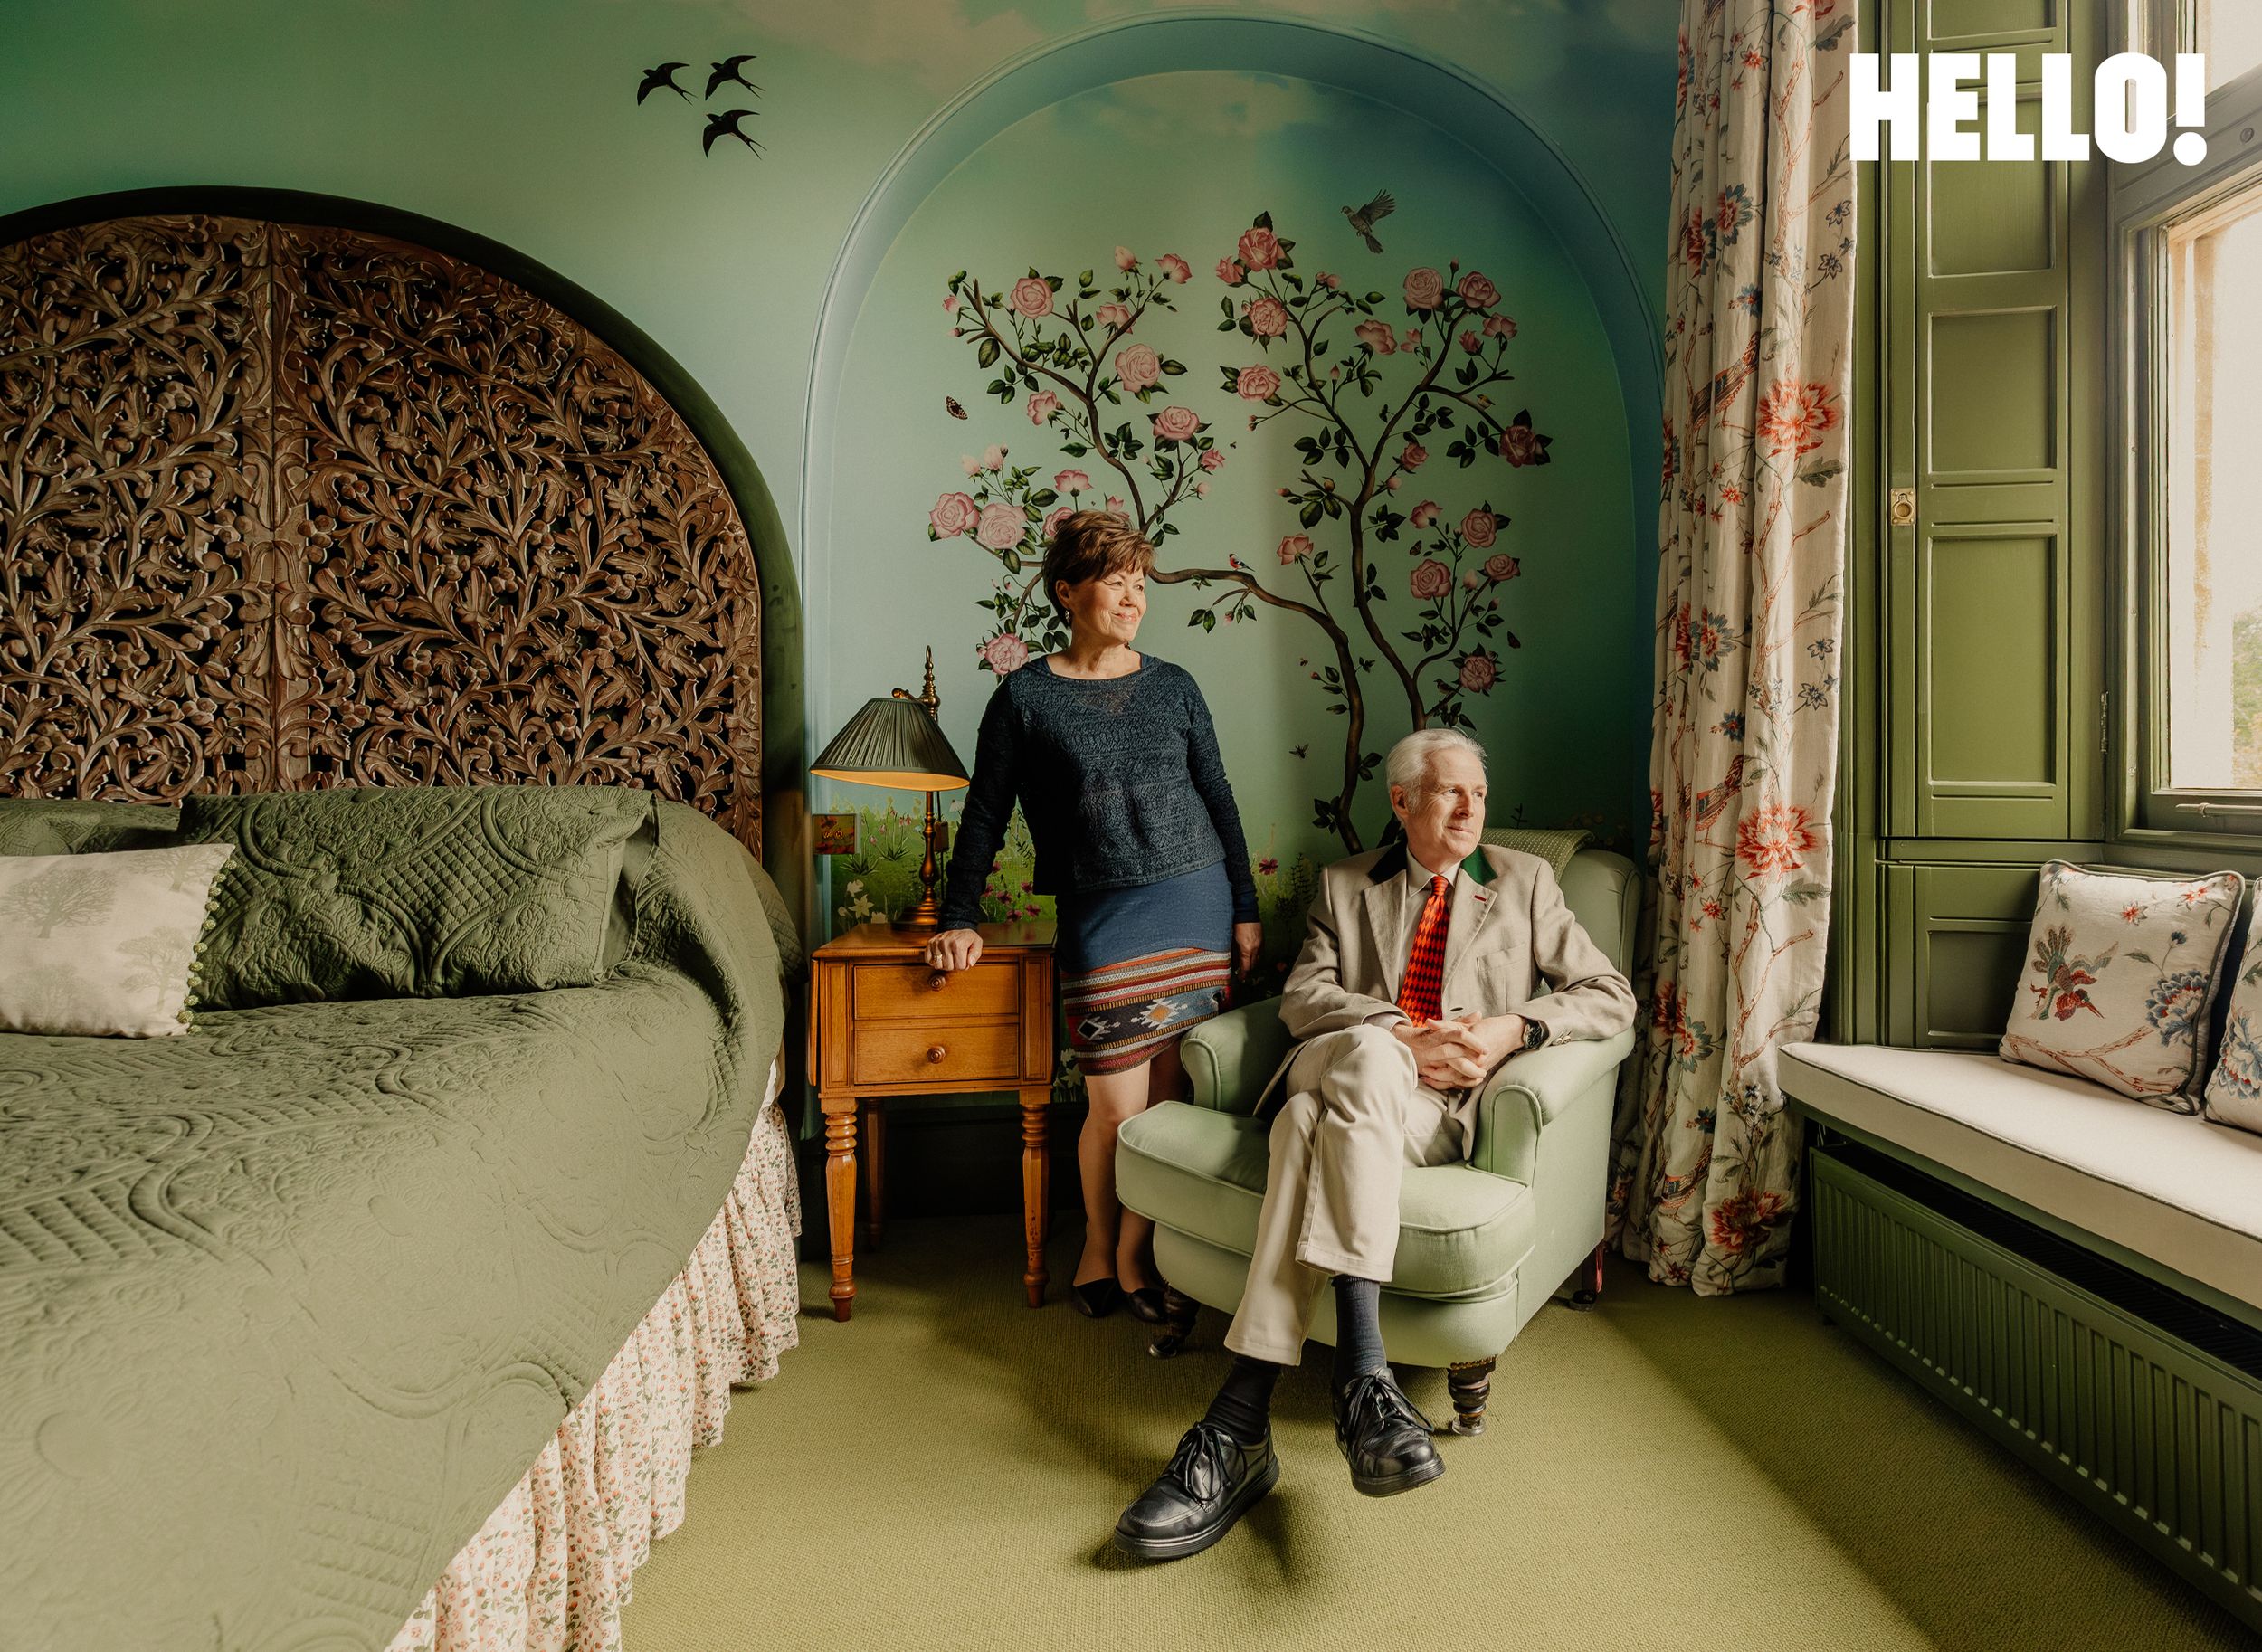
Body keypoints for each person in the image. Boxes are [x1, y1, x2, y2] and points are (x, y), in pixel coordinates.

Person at [1111, 726, 1637, 1561]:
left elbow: (1610, 996)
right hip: (1346, 1058)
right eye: (1449, 791)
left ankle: (1240, 1423)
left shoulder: (1526, 882)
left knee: (1303, 1125)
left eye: (1479, 793)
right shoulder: (1346, 881)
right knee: (1365, 1053)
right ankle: (1364, 1376)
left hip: (1429, 1112)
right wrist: (1397, 1033)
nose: (1472, 809)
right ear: (1401, 800)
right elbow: (1303, 998)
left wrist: (1515, 1026)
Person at [927, 510, 1262, 1322]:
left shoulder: (1175, 685)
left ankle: (1136, 1258)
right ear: (1068, 591)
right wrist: (958, 913)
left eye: (1140, 584)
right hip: (1102, 912)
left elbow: (1217, 796)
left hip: (1195, 899)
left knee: (1171, 1104)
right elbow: (984, 812)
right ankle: (1096, 1249)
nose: (1132, 597)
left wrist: (1245, 909)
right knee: (1115, 1108)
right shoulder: (1025, 697)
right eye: (1117, 581)